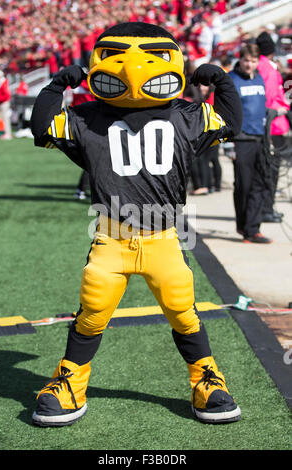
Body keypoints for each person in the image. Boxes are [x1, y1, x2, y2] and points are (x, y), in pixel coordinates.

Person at [30, 22, 242, 427]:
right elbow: (41, 128)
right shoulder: (90, 116)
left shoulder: (184, 114)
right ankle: (71, 382)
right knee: (93, 310)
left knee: (183, 310)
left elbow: (231, 123)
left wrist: (223, 81)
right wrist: (57, 84)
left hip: (161, 234)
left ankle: (207, 379)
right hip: (112, 236)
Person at [229, 43, 272, 244]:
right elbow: (225, 113)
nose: (249, 65)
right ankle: (244, 226)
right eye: (246, 60)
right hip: (241, 139)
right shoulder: (231, 79)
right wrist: (227, 144)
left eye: (254, 61)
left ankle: (253, 229)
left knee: (261, 183)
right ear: (240, 59)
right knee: (244, 186)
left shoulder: (260, 78)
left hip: (260, 139)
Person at [256, 31, 290, 223]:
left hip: (270, 124)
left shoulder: (263, 65)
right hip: (273, 126)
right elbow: (269, 98)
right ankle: (267, 208)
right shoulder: (268, 68)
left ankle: (266, 206)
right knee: (272, 169)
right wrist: (279, 111)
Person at [0, 69, 12, 139]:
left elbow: (6, 95)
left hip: (4, 103)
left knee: (5, 118)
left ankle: (7, 134)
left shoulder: (3, 82)